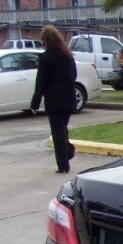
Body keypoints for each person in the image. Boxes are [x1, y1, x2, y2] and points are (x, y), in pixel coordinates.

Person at [30, 25, 77, 174]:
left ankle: (63, 165)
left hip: (54, 101)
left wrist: (35, 103)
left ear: (45, 40)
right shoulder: (68, 55)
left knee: (58, 133)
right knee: (62, 129)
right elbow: (73, 75)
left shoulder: (45, 58)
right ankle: (67, 151)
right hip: (68, 98)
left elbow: (41, 82)